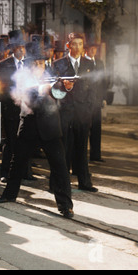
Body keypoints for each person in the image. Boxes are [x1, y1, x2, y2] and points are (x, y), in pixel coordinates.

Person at [0, 41, 74, 219]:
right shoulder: (22, 78)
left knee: (60, 167)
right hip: (28, 125)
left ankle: (65, 206)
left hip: (50, 127)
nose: (39, 66)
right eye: (36, 63)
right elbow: (27, 97)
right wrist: (44, 88)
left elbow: (59, 97)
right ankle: (9, 194)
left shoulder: (52, 77)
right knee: (17, 164)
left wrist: (65, 88)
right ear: (28, 65)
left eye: (42, 63)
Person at [53, 32, 98, 193]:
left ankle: (84, 182)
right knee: (63, 148)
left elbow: (93, 88)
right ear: (68, 46)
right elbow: (53, 89)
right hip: (65, 112)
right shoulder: (58, 64)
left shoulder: (89, 63)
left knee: (81, 148)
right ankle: (59, 184)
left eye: (80, 44)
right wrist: (64, 87)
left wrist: (89, 109)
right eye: (74, 44)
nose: (77, 47)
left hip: (83, 113)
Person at [0, 30, 27, 183]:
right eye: (18, 47)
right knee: (10, 141)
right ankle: (5, 172)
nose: (21, 49)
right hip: (11, 108)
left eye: (23, 46)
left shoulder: (30, 64)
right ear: (13, 48)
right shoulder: (4, 64)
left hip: (27, 108)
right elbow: (0, 88)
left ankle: (25, 171)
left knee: (26, 140)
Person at [85, 43, 107, 163]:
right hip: (85, 101)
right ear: (86, 49)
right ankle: (82, 156)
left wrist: (103, 98)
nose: (93, 51)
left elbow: (103, 82)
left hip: (96, 101)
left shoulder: (99, 63)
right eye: (91, 48)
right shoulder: (83, 62)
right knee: (84, 129)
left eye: (95, 49)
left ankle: (96, 155)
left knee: (96, 129)